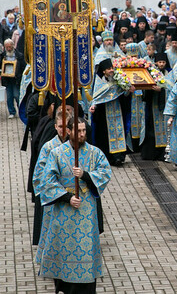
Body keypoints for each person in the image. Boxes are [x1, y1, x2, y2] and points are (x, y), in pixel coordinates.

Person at [34, 117, 112, 294]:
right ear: (69, 131)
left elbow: (106, 172)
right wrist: (67, 197)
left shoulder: (94, 153)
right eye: (78, 131)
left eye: (84, 130)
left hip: (87, 211)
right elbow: (46, 181)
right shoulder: (57, 153)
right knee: (65, 248)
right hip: (64, 211)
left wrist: (85, 175)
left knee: (85, 250)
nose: (82, 134)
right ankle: (65, 287)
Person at [31, 105, 72, 246]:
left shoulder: (76, 147)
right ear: (55, 126)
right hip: (54, 195)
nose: (63, 130)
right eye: (60, 126)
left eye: (66, 126)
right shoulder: (48, 147)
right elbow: (39, 175)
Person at [90, 58, 133, 166]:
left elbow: (124, 96)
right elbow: (96, 98)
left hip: (118, 112)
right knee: (105, 136)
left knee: (119, 133)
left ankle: (119, 157)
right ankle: (108, 157)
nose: (111, 70)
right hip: (104, 115)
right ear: (104, 71)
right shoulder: (100, 82)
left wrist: (128, 91)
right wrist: (93, 107)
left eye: (112, 68)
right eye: (109, 69)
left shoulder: (118, 80)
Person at [141, 53, 172, 161]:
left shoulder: (170, 74)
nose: (161, 64)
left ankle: (164, 154)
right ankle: (152, 154)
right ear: (156, 63)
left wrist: (161, 90)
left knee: (165, 130)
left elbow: (172, 89)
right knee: (152, 131)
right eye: (160, 62)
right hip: (153, 106)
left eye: (163, 62)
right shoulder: (151, 73)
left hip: (165, 108)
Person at [0, 39, 26, 119]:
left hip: (16, 79)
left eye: (10, 47)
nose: (9, 49)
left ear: (13, 46)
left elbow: (23, 66)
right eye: (7, 47)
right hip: (7, 80)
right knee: (9, 97)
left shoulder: (19, 55)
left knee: (17, 96)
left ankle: (21, 111)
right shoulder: (3, 55)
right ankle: (12, 112)